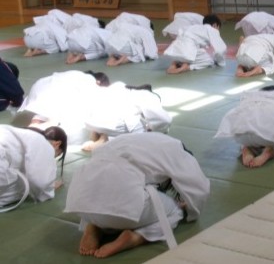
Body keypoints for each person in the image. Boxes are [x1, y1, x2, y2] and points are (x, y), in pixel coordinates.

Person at [64, 132, 210, 258]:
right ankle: (136, 237)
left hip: (80, 200)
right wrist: (189, 209)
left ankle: (94, 225)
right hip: (120, 204)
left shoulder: (135, 140)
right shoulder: (179, 152)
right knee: (175, 211)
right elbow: (199, 190)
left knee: (101, 191)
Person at [16, 70, 110, 146]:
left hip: (38, 88)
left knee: (45, 112)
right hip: (53, 95)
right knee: (55, 121)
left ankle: (35, 124)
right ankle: (30, 133)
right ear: (99, 82)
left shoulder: (76, 75)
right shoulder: (90, 81)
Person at [81, 82, 172, 151]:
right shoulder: (148, 95)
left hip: (89, 119)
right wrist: (154, 129)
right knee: (142, 129)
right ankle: (106, 139)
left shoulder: (119, 86)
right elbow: (164, 120)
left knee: (127, 114)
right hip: (114, 124)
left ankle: (99, 132)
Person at [0, 124, 67, 212]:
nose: (53, 158)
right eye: (57, 154)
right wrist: (50, 187)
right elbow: (40, 181)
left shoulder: (24, 134)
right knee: (25, 186)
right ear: (57, 144)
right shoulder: (44, 144)